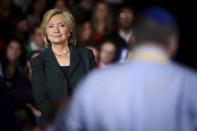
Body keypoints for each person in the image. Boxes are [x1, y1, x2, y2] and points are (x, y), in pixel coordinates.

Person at [50, 7, 197, 131]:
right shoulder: (191, 84)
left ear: (133, 40)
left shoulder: (96, 81)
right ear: (174, 45)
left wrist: (63, 110)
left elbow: (67, 126)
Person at [31, 9, 96, 121]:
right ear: (45, 31)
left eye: (61, 25)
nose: (56, 30)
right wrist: (60, 119)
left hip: (84, 119)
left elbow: (94, 90)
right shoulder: (38, 62)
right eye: (50, 26)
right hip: (54, 121)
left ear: (70, 30)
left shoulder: (86, 55)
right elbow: (41, 100)